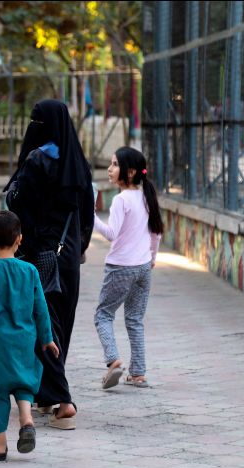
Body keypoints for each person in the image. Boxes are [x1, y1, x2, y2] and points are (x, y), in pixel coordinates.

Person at [4, 99, 94, 430]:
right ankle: (46, 394)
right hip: (68, 254)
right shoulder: (78, 162)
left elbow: (19, 206)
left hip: (40, 254)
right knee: (61, 321)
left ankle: (63, 399)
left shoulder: (38, 160)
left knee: (42, 325)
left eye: (35, 121)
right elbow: (88, 215)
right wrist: (78, 248)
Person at [0, 210, 60, 461]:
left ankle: (0, 445)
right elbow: (41, 308)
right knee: (23, 381)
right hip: (25, 340)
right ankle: (26, 418)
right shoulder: (30, 271)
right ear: (20, 239)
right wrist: (47, 338)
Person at [94, 147, 163, 389]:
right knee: (135, 319)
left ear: (131, 172)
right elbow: (156, 233)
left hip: (120, 267)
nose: (110, 169)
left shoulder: (120, 200)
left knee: (103, 315)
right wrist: (152, 258)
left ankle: (113, 360)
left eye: (114, 164)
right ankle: (138, 373)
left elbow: (112, 233)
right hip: (143, 267)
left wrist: (90, 216)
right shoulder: (146, 197)